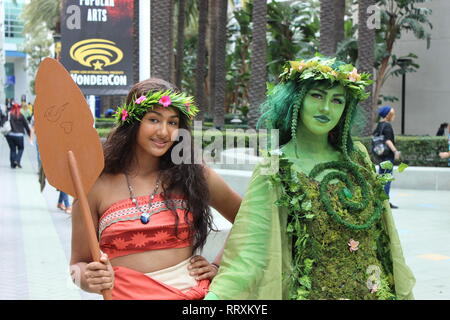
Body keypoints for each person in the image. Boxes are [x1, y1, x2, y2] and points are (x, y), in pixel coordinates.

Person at [205, 57, 415, 300]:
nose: (326, 108)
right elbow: (250, 249)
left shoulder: (357, 156)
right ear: (296, 100)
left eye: (337, 100)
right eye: (316, 96)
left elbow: (385, 234)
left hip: (373, 292)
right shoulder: (275, 165)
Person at [70, 78, 241, 300]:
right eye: (153, 119)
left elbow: (249, 219)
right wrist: (86, 279)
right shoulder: (95, 185)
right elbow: (76, 265)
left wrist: (219, 266)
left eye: (172, 122)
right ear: (132, 122)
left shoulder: (195, 176)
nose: (163, 132)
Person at [372, 106, 400, 209]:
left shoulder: (380, 125)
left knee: (381, 178)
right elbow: (388, 140)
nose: (394, 116)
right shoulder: (387, 126)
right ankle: (385, 202)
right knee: (387, 178)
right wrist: (395, 151)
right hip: (388, 156)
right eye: (393, 114)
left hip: (381, 156)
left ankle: (378, 200)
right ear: (388, 115)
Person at [4, 103, 32, 169]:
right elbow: (26, 126)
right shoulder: (21, 116)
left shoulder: (9, 115)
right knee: (21, 148)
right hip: (19, 136)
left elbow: (4, 122)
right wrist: (29, 135)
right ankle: (17, 160)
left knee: (12, 149)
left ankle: (12, 164)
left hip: (10, 135)